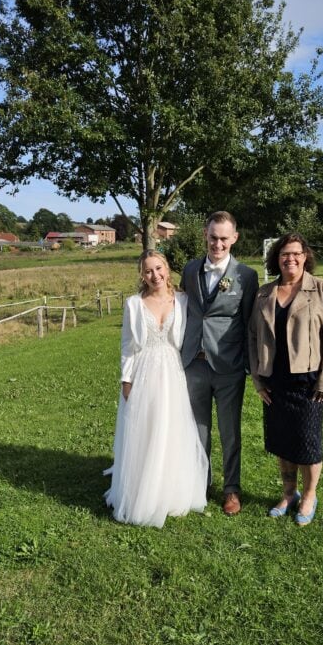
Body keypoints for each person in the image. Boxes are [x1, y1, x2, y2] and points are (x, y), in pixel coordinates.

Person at [104, 250, 209, 527]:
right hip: (145, 372)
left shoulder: (183, 300)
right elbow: (128, 345)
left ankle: (170, 490)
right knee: (144, 431)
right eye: (149, 271)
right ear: (142, 275)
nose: (155, 276)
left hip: (173, 372)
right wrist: (126, 380)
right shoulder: (134, 304)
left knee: (171, 429)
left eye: (159, 268)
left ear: (167, 269)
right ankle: (141, 490)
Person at [248, 233, 323, 526]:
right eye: (284, 254)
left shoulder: (321, 289)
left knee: (308, 442)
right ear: (276, 258)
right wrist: (258, 381)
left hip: (309, 381)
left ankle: (310, 496)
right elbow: (252, 337)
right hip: (274, 380)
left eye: (295, 253)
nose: (290, 258)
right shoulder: (264, 293)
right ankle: (289, 493)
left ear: (305, 256)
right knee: (282, 441)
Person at [181, 211, 259, 516]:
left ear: (234, 238)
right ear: (205, 234)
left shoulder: (246, 276)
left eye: (224, 238)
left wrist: (251, 369)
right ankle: (201, 483)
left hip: (228, 366)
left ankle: (231, 490)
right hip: (193, 364)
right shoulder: (189, 270)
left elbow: (250, 324)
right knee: (198, 430)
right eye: (213, 237)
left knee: (230, 432)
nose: (218, 243)